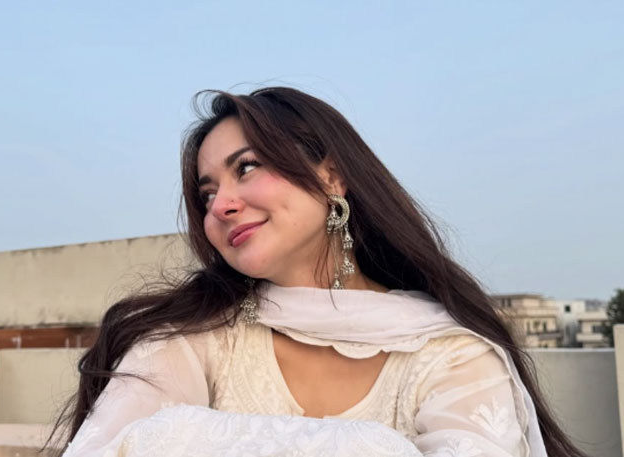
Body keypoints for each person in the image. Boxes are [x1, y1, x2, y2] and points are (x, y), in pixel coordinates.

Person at [51, 87, 587, 456]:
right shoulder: (194, 341)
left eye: (247, 167)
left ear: (331, 175)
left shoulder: (448, 357)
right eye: (207, 192)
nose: (221, 205)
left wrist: (174, 438)